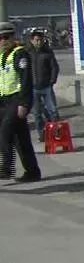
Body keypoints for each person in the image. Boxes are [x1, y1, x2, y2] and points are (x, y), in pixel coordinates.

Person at [0, 21, 42, 182]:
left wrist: (24, 104)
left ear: (12, 37)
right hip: (4, 100)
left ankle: (6, 168)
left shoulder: (20, 54)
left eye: (5, 37)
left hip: (17, 99)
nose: (2, 41)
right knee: (21, 138)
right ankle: (32, 171)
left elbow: (25, 80)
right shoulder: (2, 56)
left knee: (5, 132)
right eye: (0, 38)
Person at [28, 29, 60, 142]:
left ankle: (56, 132)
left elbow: (54, 67)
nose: (39, 42)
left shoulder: (48, 52)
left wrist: (52, 81)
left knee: (53, 111)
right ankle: (42, 134)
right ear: (32, 41)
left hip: (46, 86)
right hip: (33, 88)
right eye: (36, 40)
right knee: (37, 113)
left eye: (41, 40)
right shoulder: (28, 53)